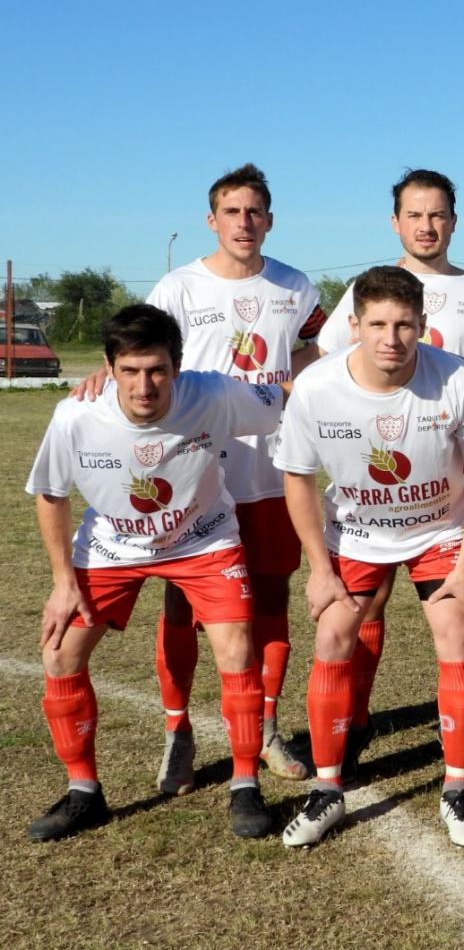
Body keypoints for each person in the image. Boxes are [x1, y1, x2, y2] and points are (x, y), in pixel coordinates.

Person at [26, 304, 291, 841]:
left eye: (156, 371)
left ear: (178, 367)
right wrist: (62, 582)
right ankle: (83, 792)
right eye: (129, 370)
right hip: (111, 548)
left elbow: (284, 398)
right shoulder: (76, 415)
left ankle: (245, 784)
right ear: (107, 367)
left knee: (237, 649)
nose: (143, 386)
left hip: (204, 540)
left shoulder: (214, 393)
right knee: (60, 654)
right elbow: (51, 494)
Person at [273, 266, 464, 847]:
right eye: (377, 324)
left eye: (404, 325)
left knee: (455, 630)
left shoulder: (458, 379)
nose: (391, 338)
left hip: (438, 530)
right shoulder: (317, 387)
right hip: (354, 534)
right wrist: (318, 569)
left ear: (423, 324)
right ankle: (327, 789)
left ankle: (458, 788)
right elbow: (297, 478)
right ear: (354, 326)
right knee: (333, 636)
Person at [315, 169, 464, 778]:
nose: (426, 226)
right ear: (395, 223)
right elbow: (331, 361)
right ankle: (352, 718)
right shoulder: (367, 290)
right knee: (366, 601)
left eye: (437, 215)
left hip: (453, 478)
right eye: (414, 214)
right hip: (377, 476)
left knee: (459, 602)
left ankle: (461, 720)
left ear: (454, 222)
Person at [131, 163, 325, 792]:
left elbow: (316, 347)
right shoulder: (178, 288)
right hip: (195, 472)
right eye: (232, 212)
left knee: (270, 597)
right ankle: (178, 732)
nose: (244, 222)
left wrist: (293, 384)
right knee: (182, 600)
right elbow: (142, 353)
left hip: (270, 471)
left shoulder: (295, 287)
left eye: (255, 212)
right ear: (211, 220)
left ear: (270, 220)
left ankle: (265, 727)